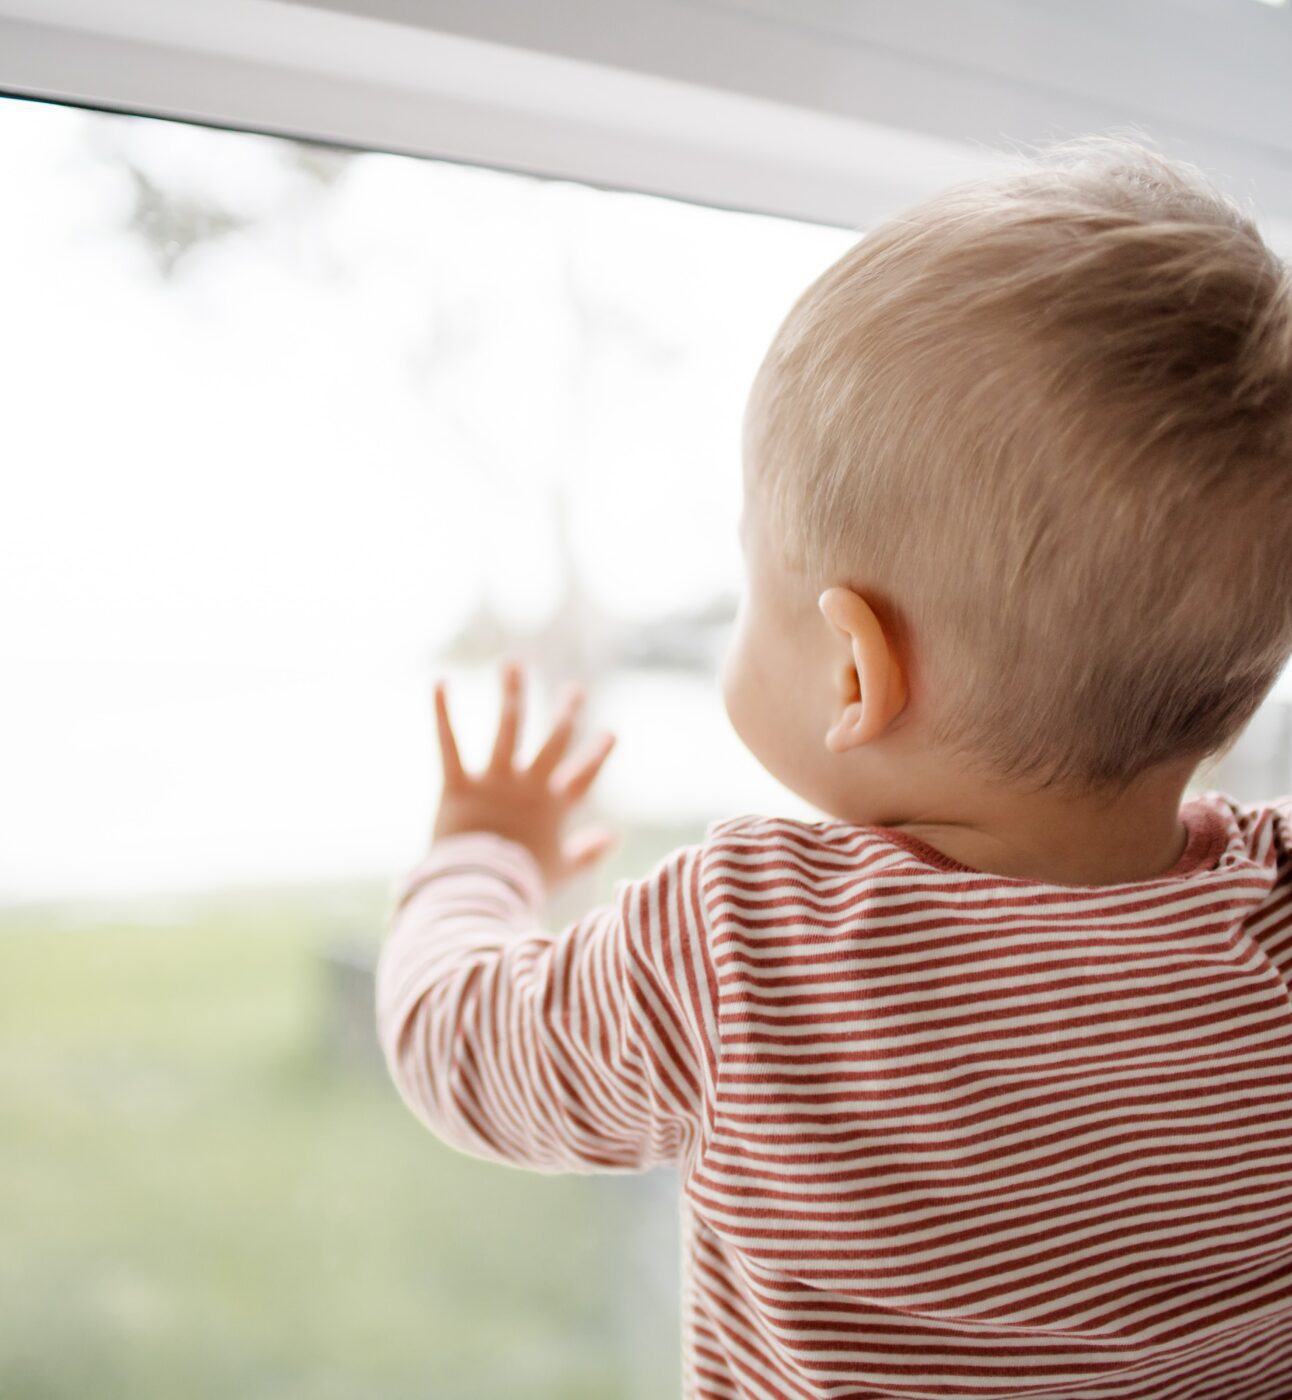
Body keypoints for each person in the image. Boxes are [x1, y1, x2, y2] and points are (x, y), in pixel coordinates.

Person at [374, 135, 1292, 1399]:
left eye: (754, 577)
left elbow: (457, 1047)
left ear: (857, 672)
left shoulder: (745, 935)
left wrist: (477, 852)